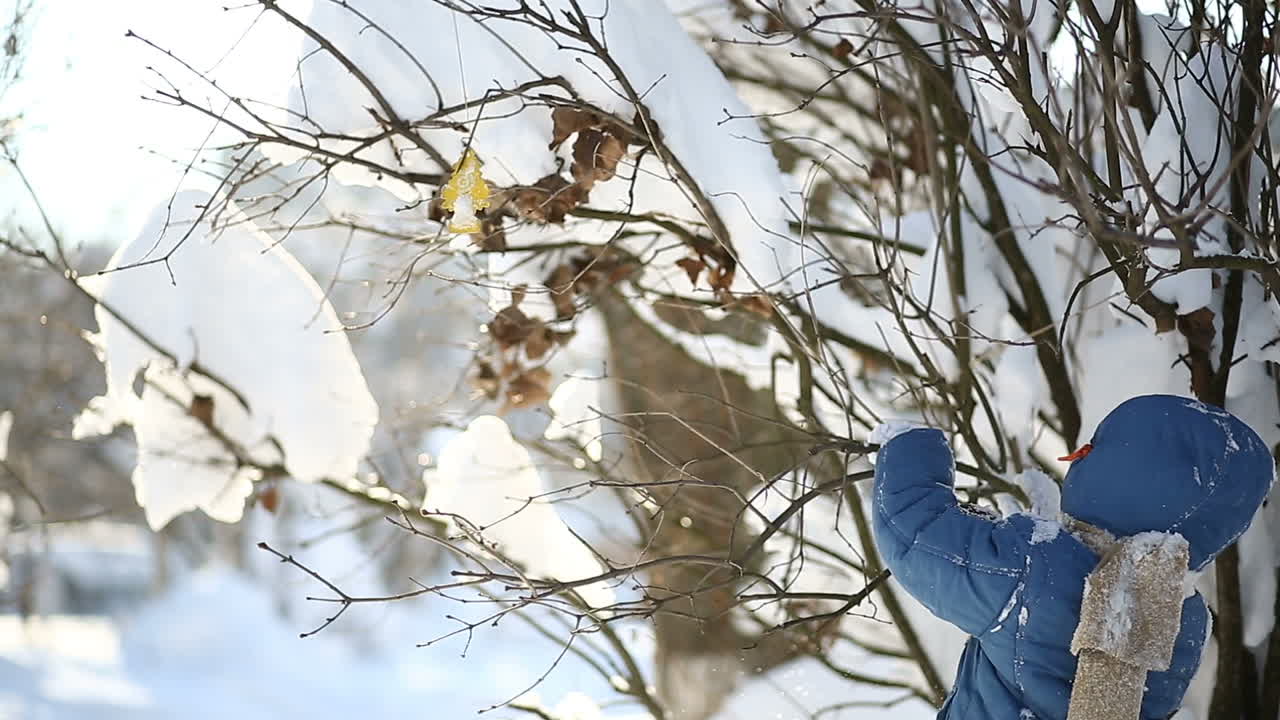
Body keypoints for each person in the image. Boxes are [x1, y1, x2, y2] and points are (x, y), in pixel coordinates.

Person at [872, 394, 1273, 719]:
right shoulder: (1186, 622)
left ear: (1113, 474)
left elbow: (914, 536)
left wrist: (909, 446)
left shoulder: (1031, 567)